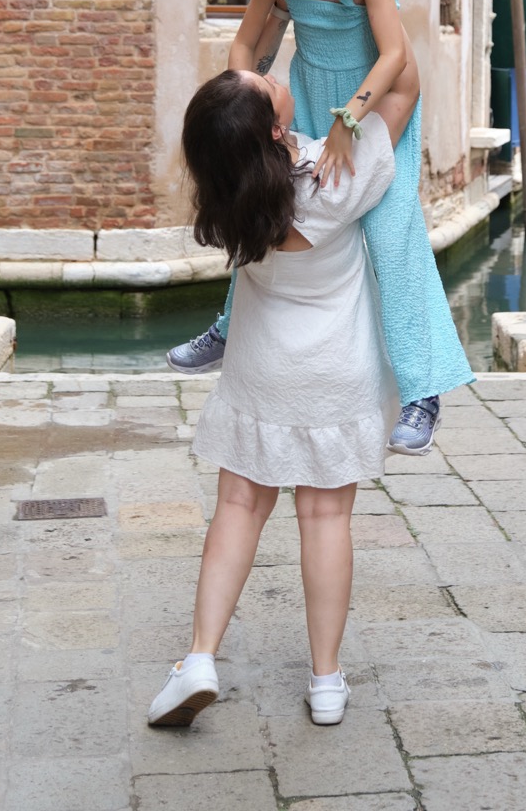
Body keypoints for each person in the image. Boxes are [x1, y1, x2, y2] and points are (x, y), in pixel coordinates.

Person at [166, 0, 473, 453]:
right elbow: (245, 42)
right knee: (266, 205)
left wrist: (349, 122)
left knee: (391, 239)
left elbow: (393, 56)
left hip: (375, 101)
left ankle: (422, 390)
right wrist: (244, 95)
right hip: (307, 97)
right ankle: (228, 330)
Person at [147, 66, 402, 730]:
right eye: (264, 81)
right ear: (277, 127)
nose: (267, 70)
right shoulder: (332, 176)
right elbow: (405, 82)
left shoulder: (227, 192)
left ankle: (200, 659)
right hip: (332, 373)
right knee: (324, 520)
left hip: (260, 372)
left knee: (237, 506)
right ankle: (325, 683)